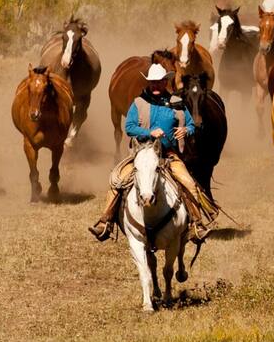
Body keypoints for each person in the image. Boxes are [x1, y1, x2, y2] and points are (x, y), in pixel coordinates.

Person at [88, 63, 217, 242]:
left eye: (159, 82)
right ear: (149, 83)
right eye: (153, 82)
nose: (156, 85)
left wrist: (186, 130)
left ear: (165, 82)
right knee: (117, 179)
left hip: (168, 155)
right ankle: (106, 222)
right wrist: (150, 133)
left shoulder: (176, 103)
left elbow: (191, 124)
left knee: (189, 184)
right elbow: (129, 127)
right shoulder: (138, 103)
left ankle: (196, 224)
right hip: (141, 154)